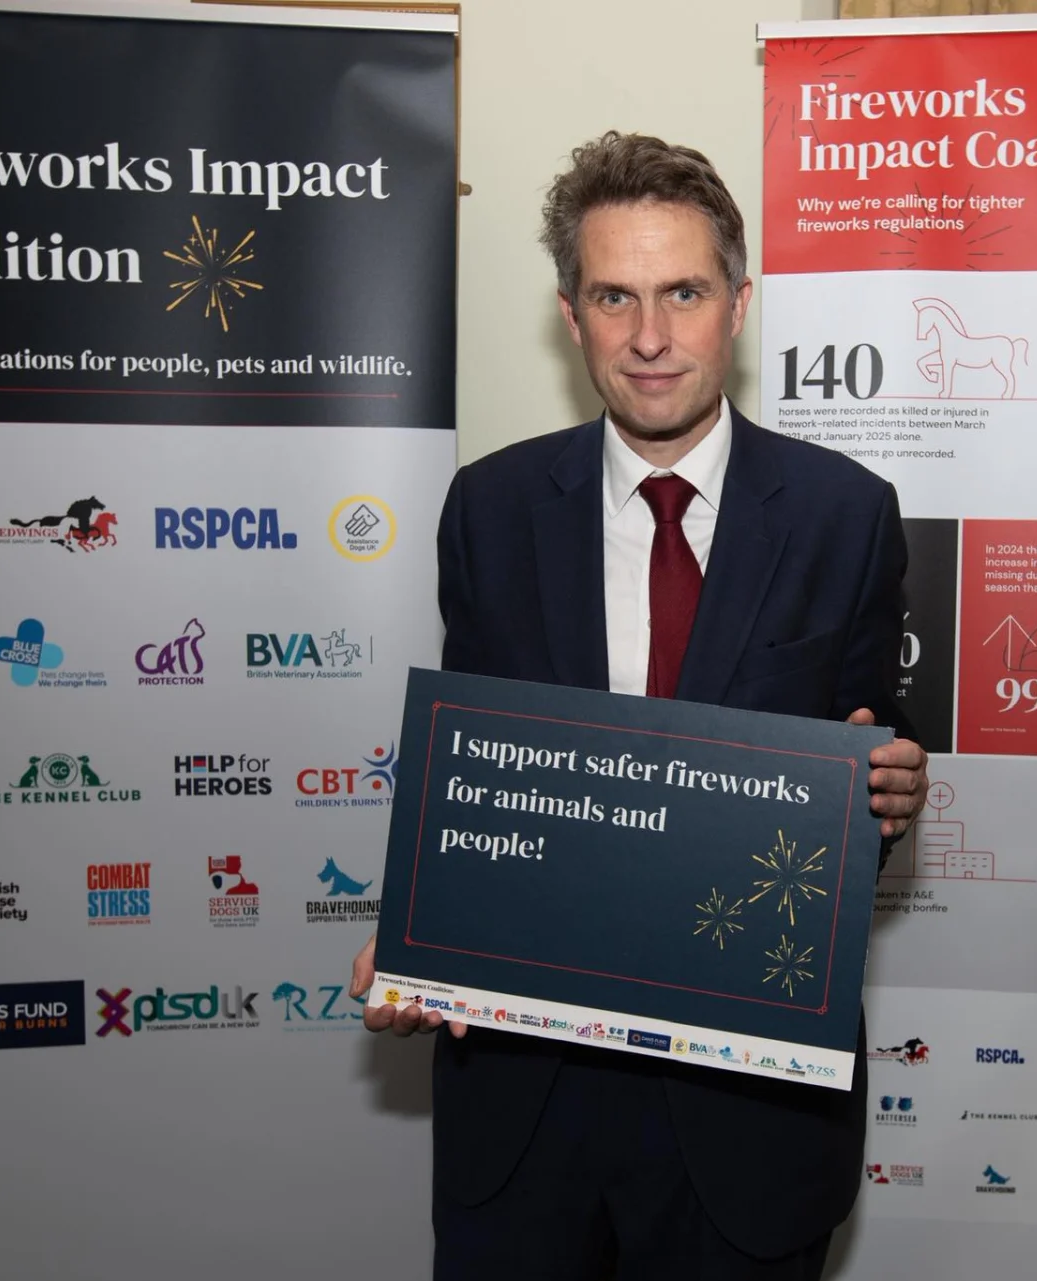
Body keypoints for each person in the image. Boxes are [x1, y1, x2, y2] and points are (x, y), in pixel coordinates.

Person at [349, 131, 929, 1280]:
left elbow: (865, 762)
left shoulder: (844, 514)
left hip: (746, 1116)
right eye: (615, 296)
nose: (651, 337)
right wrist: (423, 932)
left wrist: (889, 792)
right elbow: (481, 771)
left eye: (683, 293)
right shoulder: (491, 507)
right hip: (525, 1102)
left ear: (738, 304)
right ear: (573, 315)